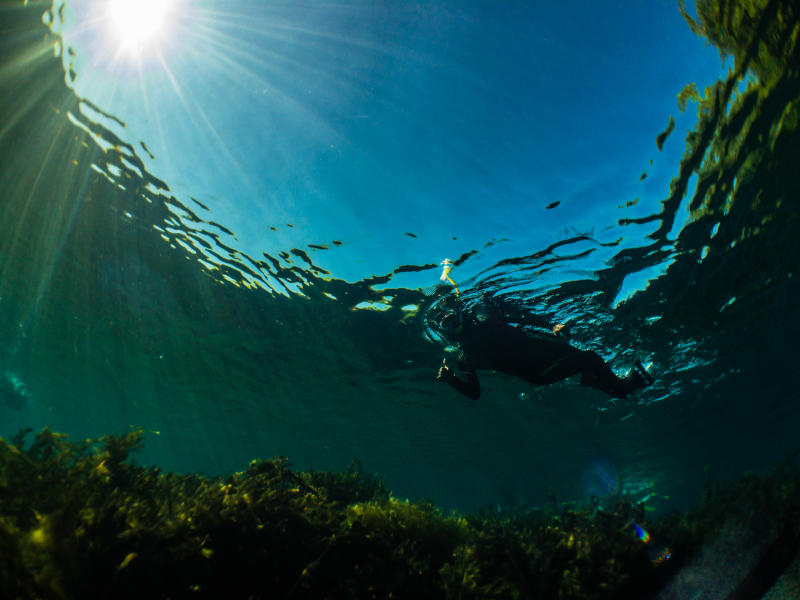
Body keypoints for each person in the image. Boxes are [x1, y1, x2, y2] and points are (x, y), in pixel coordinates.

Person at [433, 299, 653, 400]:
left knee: (583, 358)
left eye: (450, 317)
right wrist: (451, 380)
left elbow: (520, 315)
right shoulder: (465, 359)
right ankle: (624, 388)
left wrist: (551, 325)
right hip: (539, 371)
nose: (450, 323)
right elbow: (474, 393)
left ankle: (595, 382)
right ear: (446, 333)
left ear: (458, 311)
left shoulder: (486, 317)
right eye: (445, 323)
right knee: (590, 358)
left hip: (547, 348)